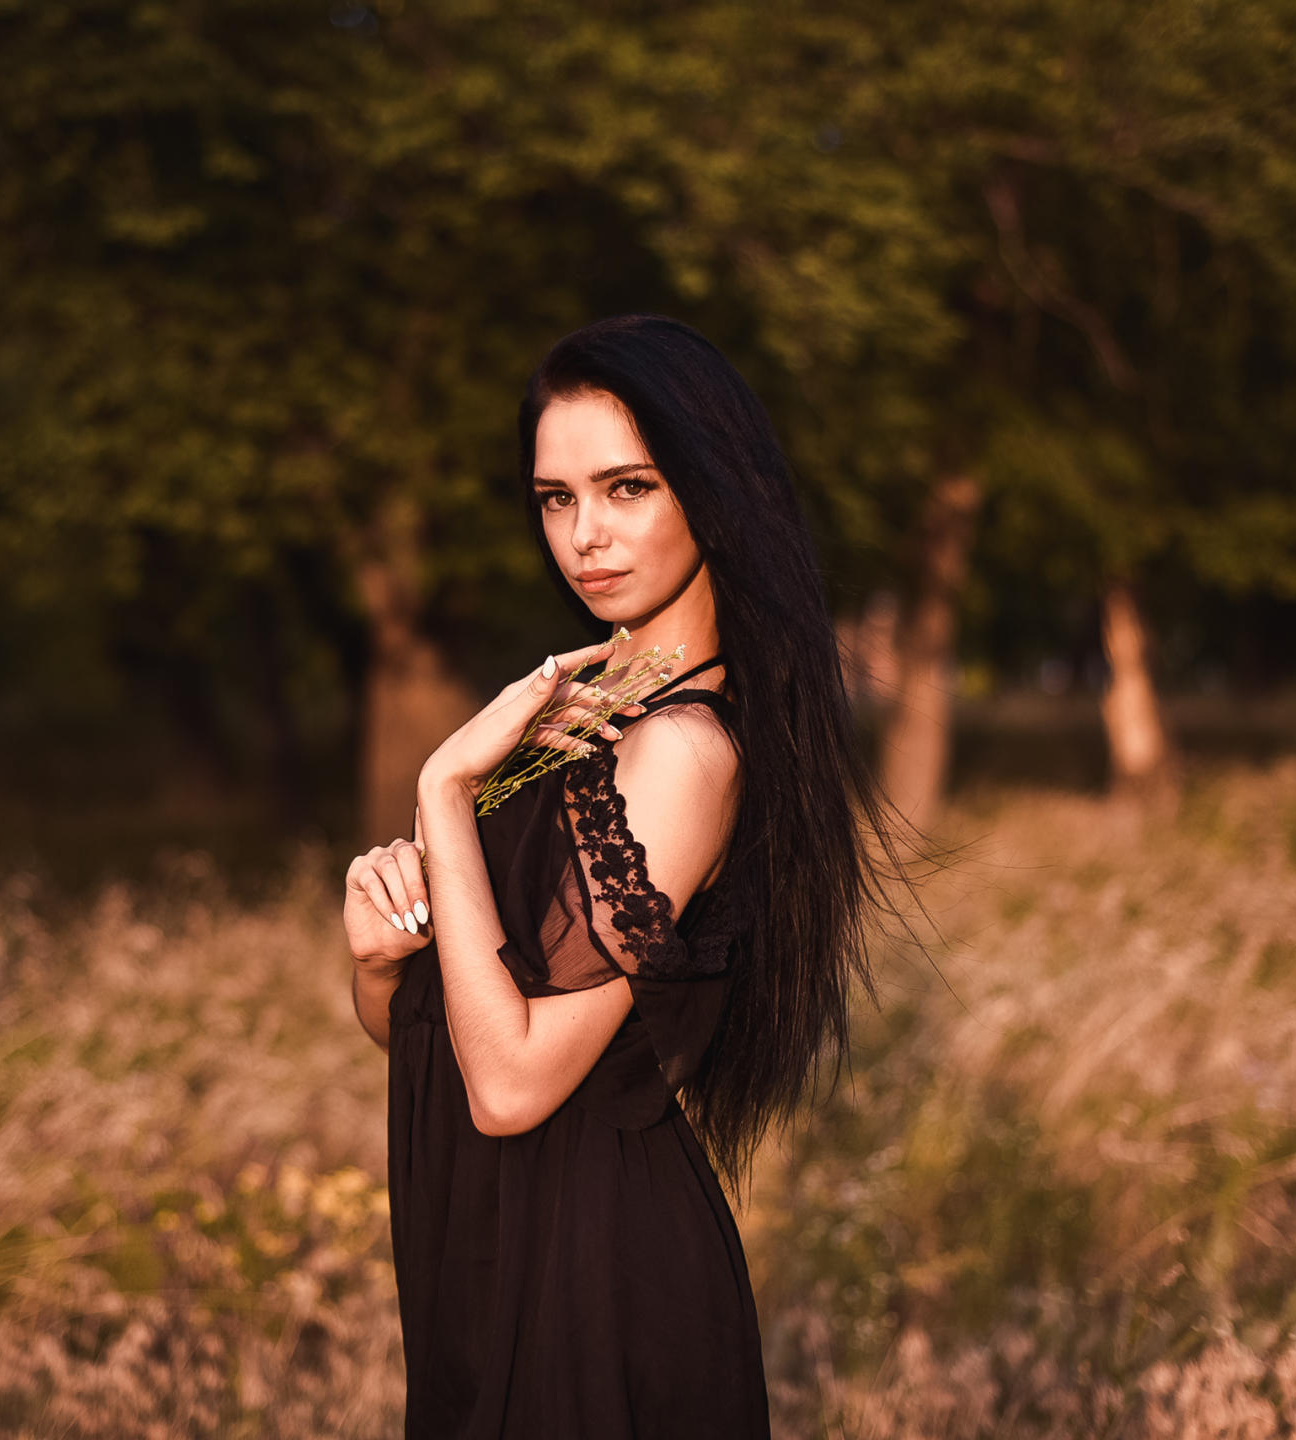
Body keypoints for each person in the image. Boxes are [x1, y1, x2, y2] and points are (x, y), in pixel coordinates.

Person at [342, 314, 902, 1438]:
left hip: (596, 1281)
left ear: (713, 491)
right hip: (489, 1257)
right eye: (556, 498)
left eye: (627, 488)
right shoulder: (583, 719)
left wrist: (443, 789)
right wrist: (378, 965)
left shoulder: (683, 749)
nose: (585, 536)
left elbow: (511, 1087)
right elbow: (445, 1030)